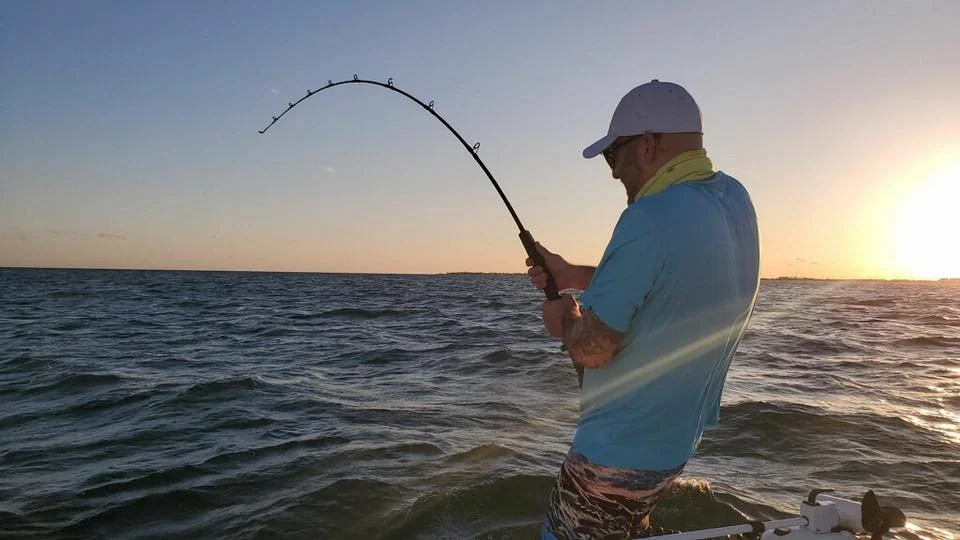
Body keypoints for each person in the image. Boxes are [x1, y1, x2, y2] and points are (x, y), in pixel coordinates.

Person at [527, 80, 761, 539]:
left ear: (649, 144)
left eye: (614, 156)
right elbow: (671, 280)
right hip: (675, 444)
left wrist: (563, 319)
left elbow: (593, 349)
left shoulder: (647, 218)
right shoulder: (735, 199)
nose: (614, 172)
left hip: (616, 453)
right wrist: (572, 273)